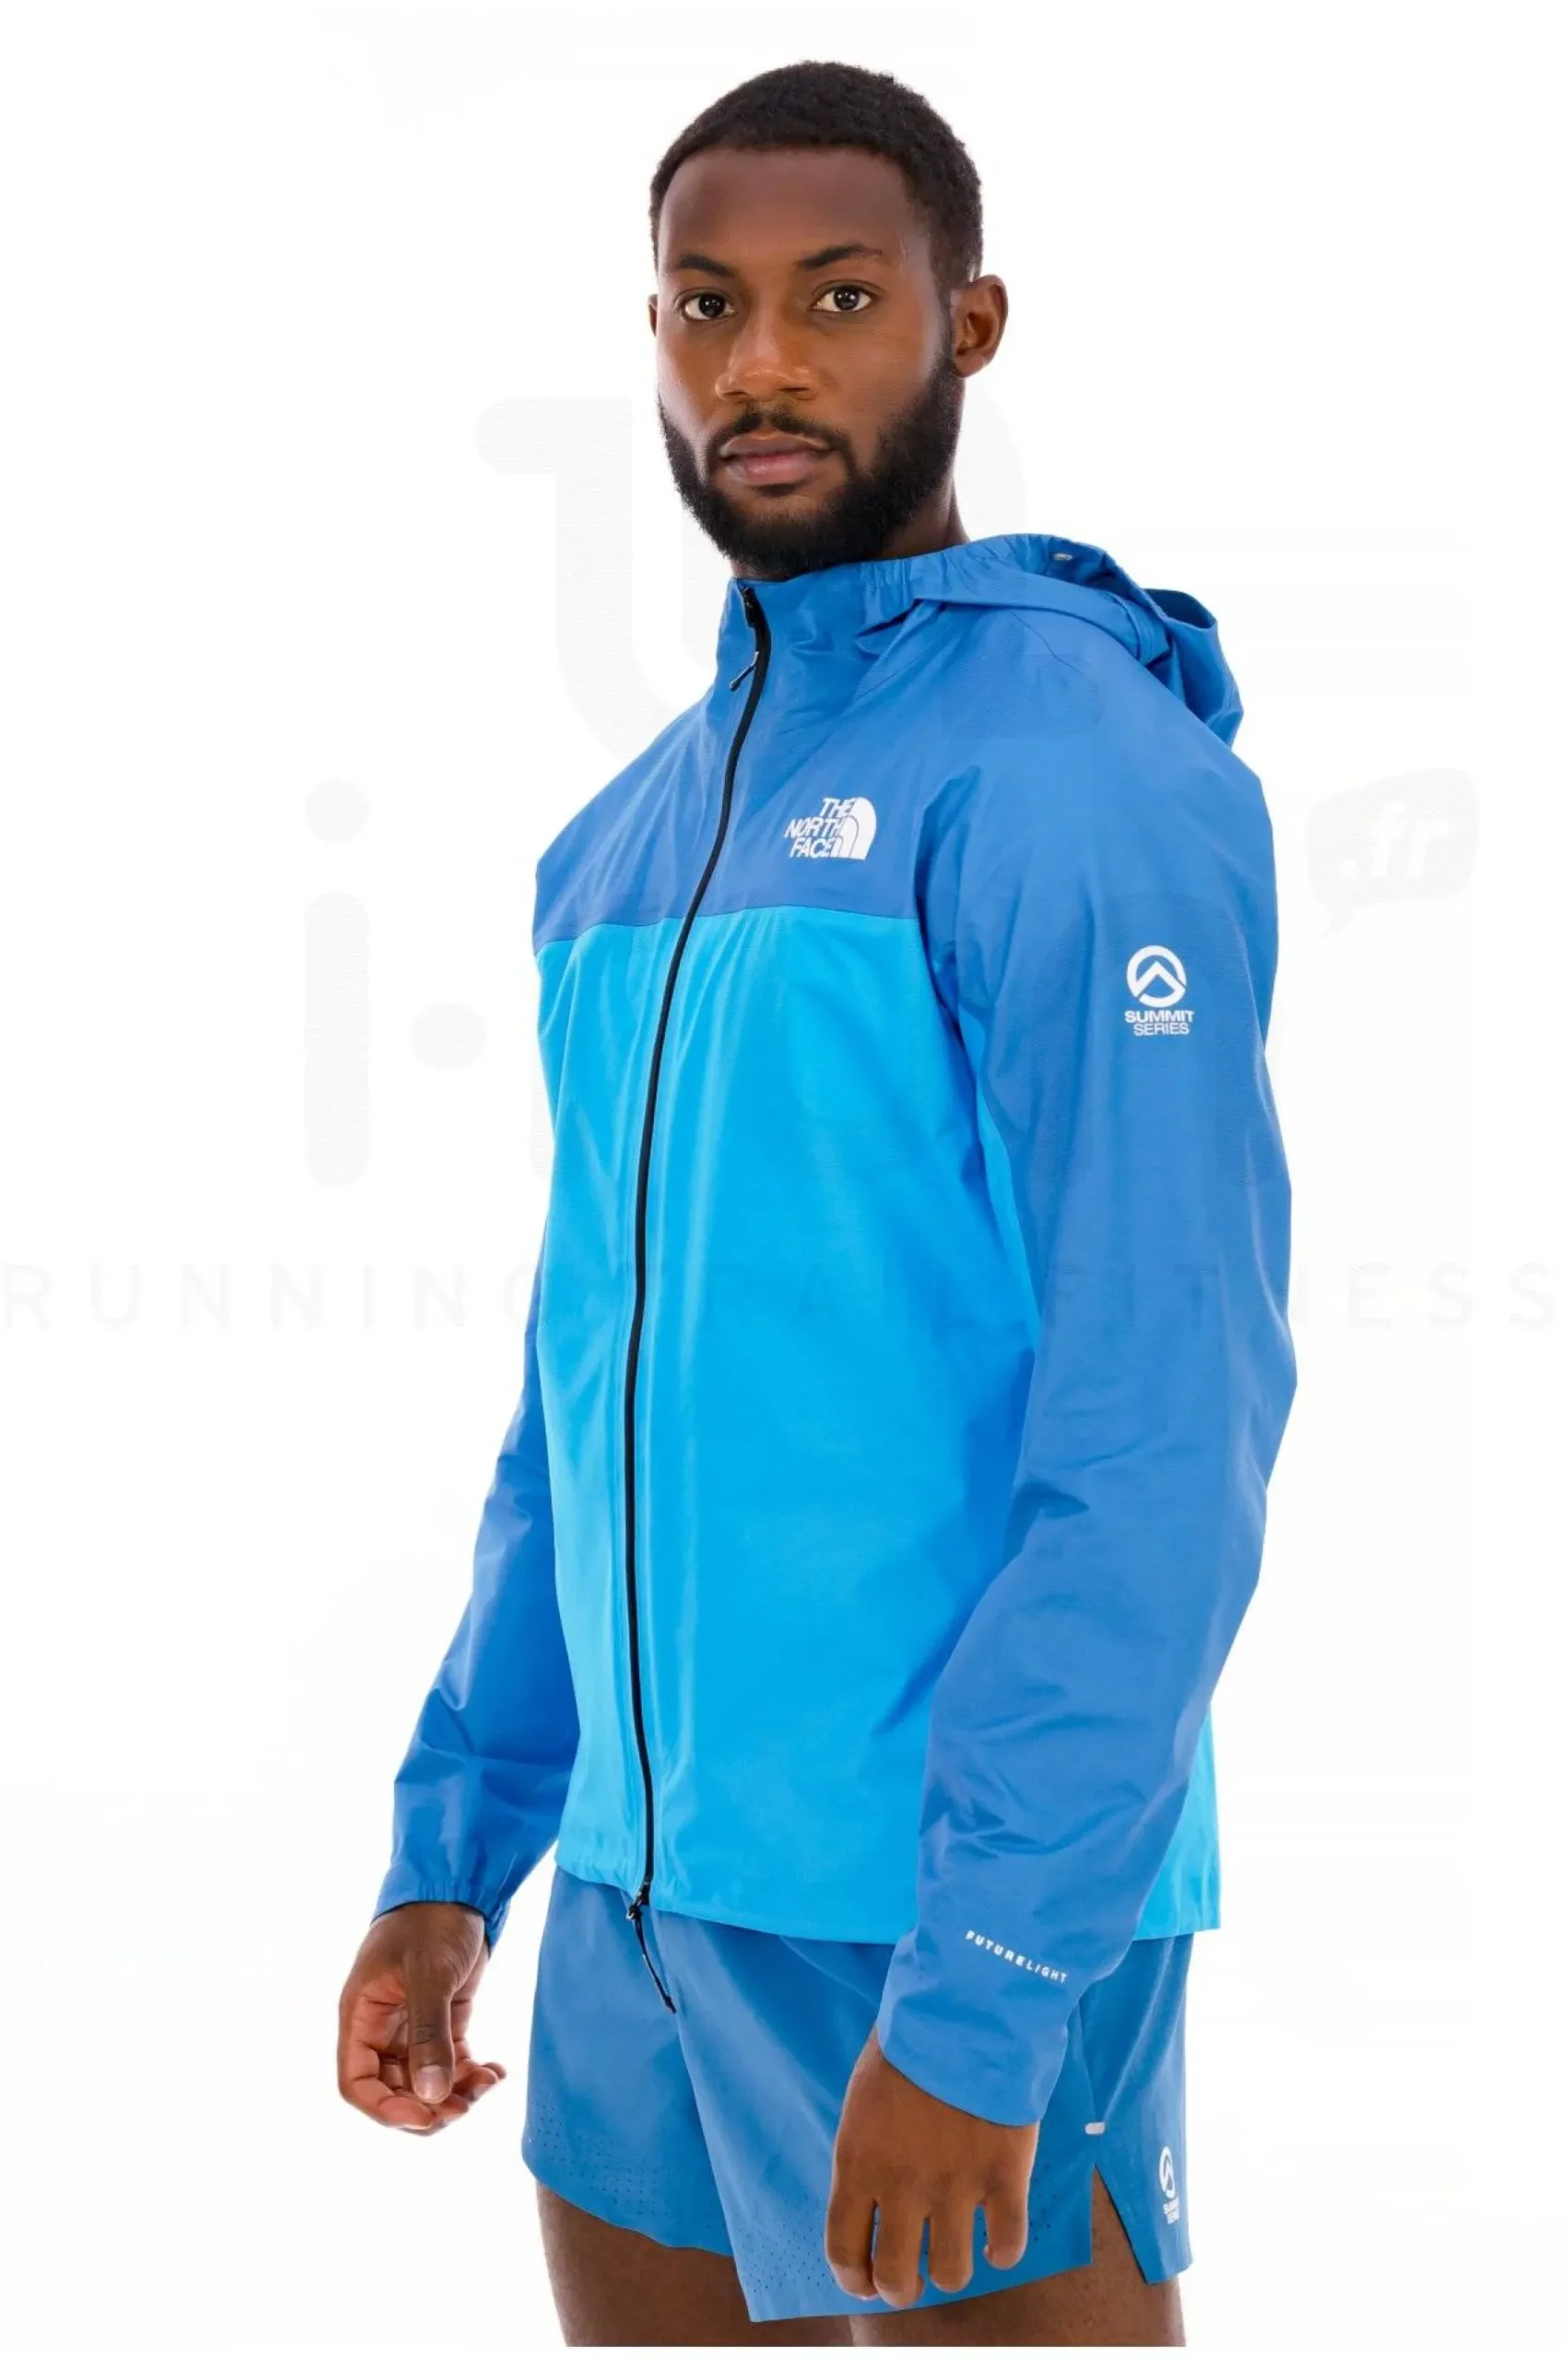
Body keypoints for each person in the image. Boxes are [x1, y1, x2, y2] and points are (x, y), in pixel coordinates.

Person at [336, 57, 1296, 2348]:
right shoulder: (620, 845)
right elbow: (584, 1394)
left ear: (967, 325)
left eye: (837, 296)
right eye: (705, 303)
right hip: (643, 1904)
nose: (757, 362)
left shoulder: (1074, 780)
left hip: (953, 1905)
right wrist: (456, 1847)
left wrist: (988, 1971)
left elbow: (1164, 1425)